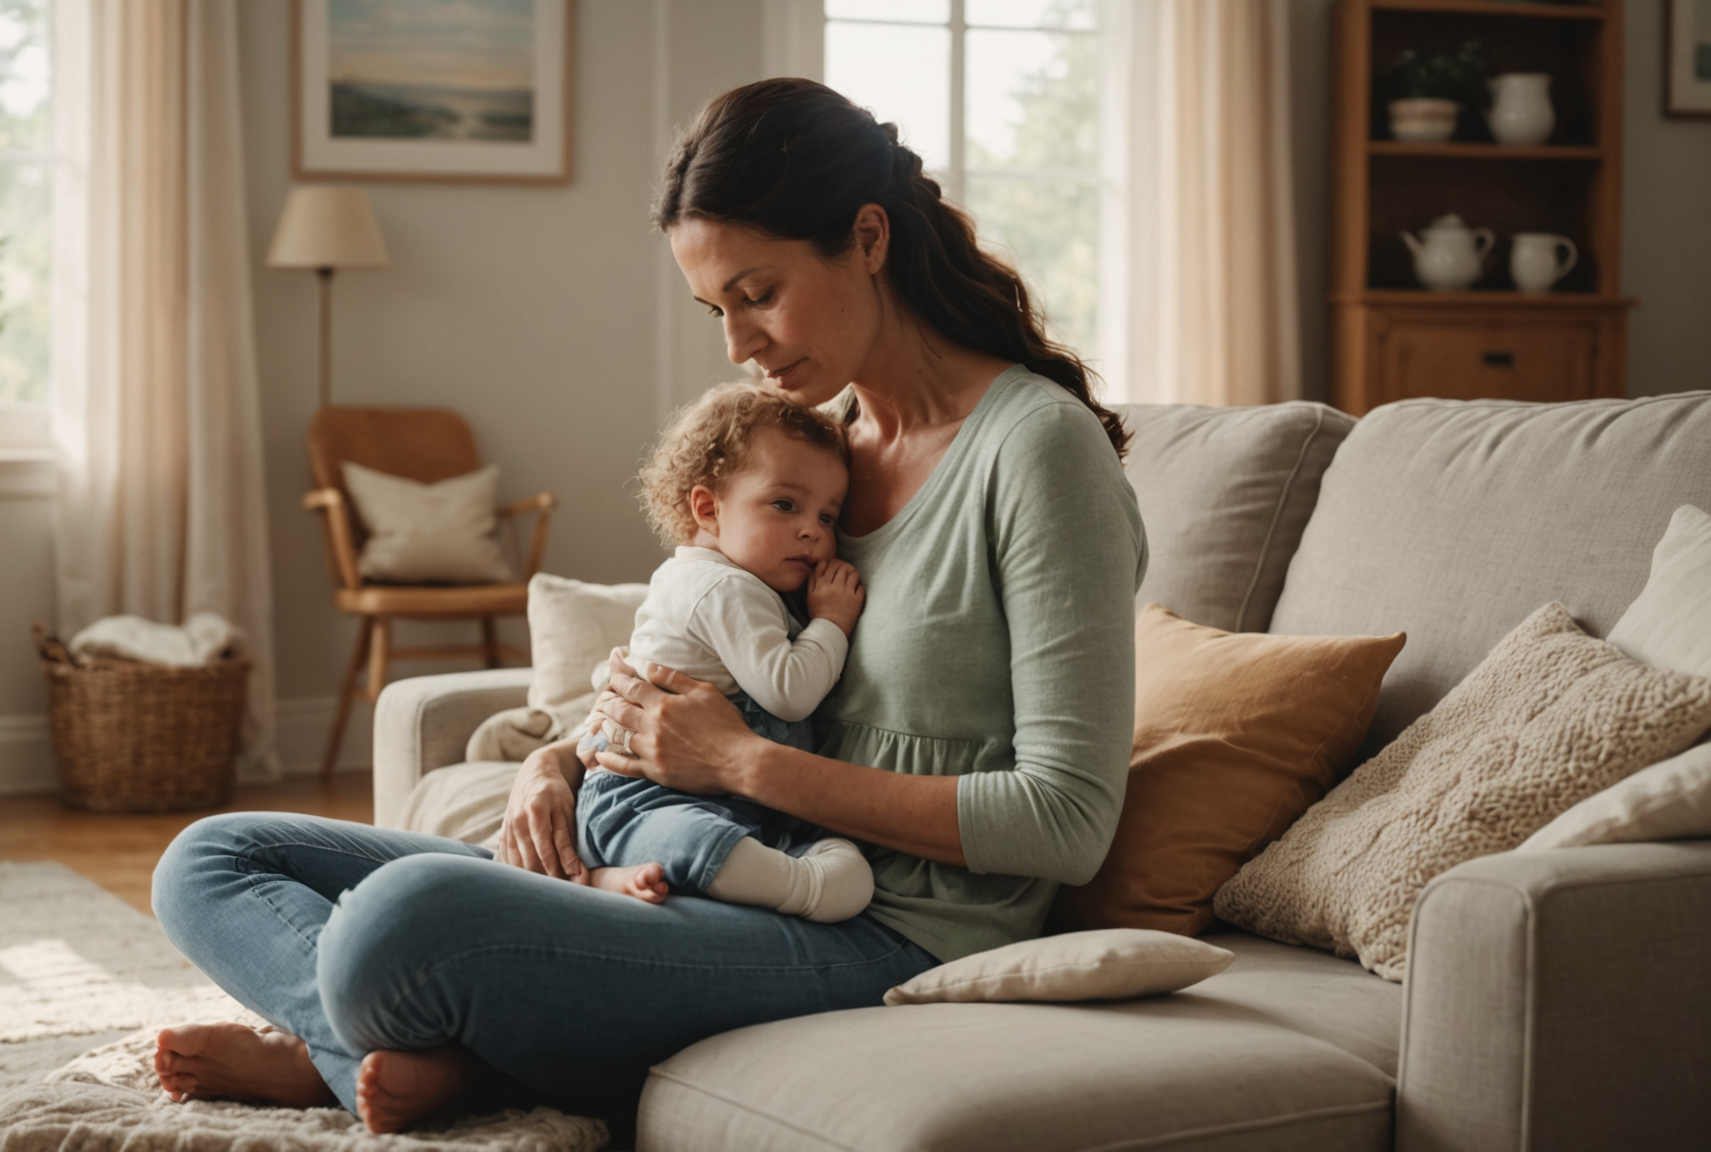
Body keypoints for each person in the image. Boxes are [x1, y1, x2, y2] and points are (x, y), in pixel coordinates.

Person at [148, 76, 1146, 1136]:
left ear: (866, 237)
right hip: (692, 852)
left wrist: (741, 766)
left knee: (400, 922)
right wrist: (558, 762)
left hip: (875, 922)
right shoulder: (817, 457)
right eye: (717, 308)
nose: (738, 346)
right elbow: (695, 674)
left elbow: (1067, 823)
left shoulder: (1037, 452)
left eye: (758, 293)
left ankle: (380, 1050)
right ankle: (378, 1049)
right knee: (209, 860)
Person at [576, 380, 875, 921]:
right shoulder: (724, 589)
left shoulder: (719, 578)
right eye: (785, 505)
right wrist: (832, 621)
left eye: (827, 517)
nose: (812, 531)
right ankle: (797, 889)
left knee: (842, 863)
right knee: (711, 845)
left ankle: (607, 874)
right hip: (649, 802)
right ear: (708, 509)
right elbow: (788, 693)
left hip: (729, 802)